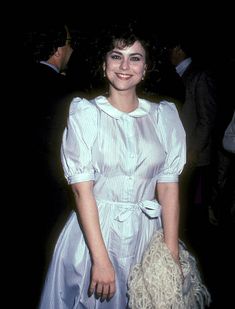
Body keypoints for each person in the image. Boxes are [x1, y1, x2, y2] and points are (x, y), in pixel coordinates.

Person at [39, 25, 186, 308]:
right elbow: (83, 191)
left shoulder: (164, 117)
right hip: (94, 234)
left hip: (146, 233)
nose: (125, 66)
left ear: (146, 67)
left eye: (135, 57)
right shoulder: (86, 113)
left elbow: (168, 188)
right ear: (104, 62)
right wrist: (101, 260)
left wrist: (171, 254)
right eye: (116, 55)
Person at [23, 23, 74, 308]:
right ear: (58, 48)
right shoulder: (66, 93)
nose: (72, 48)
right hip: (50, 195)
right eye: (70, 42)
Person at [166, 36, 217, 237]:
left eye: (170, 47)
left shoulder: (199, 76)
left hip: (192, 154)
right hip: (177, 152)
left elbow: (207, 118)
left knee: (190, 203)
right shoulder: (175, 75)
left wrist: (194, 150)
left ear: (178, 49)